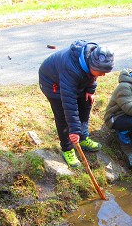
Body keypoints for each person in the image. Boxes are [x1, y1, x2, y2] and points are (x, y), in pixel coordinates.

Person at [39, 39, 115, 167]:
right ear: (93, 66)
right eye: (102, 72)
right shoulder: (71, 68)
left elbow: (92, 76)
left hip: (75, 80)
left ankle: (83, 138)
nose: (103, 75)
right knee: (63, 115)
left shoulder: (91, 59)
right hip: (53, 84)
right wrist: (74, 130)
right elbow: (69, 103)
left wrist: (90, 90)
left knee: (86, 102)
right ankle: (67, 148)